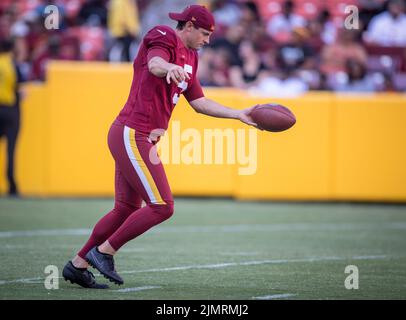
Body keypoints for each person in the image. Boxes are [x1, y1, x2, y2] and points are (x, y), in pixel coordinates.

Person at [62, 5, 259, 289]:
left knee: (127, 207)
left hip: (142, 138)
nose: (207, 40)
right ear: (189, 26)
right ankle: (104, 251)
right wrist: (169, 68)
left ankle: (78, 265)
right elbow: (155, 64)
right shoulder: (164, 35)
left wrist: (239, 114)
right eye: (204, 33)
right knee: (163, 206)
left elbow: (200, 102)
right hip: (132, 133)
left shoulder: (191, 55)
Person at [0, 39, 22, 196]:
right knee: (10, 150)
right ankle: (12, 186)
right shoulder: (12, 64)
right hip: (9, 109)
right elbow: (19, 86)